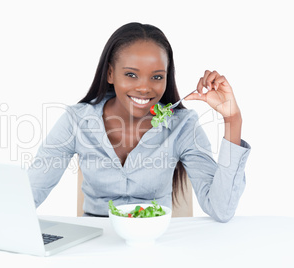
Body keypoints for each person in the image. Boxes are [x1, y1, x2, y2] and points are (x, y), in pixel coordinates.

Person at [27, 22, 251, 223]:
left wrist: (232, 119)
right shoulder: (76, 121)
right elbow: (29, 195)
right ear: (110, 74)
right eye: (131, 75)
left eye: (157, 77)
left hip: (156, 240)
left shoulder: (183, 126)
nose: (144, 88)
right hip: (96, 242)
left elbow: (221, 209)